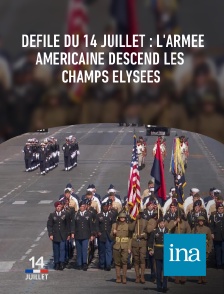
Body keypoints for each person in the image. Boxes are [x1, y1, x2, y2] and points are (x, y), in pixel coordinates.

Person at [47, 201, 72, 270]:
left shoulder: (65, 214)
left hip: (63, 235)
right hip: (55, 235)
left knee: (62, 249)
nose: (58, 208)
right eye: (57, 206)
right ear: (55, 207)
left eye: (60, 206)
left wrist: (68, 234)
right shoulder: (52, 215)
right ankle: (56, 263)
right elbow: (49, 225)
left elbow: (68, 225)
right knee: (56, 250)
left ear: (62, 207)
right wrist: (50, 234)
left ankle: (62, 263)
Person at [110, 211, 132, 284]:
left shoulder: (128, 226)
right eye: (121, 217)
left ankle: (124, 277)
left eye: (123, 217)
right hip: (116, 245)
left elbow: (130, 237)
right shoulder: (114, 225)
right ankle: (118, 277)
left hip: (125, 245)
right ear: (119, 218)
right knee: (117, 263)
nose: (122, 219)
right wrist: (113, 233)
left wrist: (129, 247)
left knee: (124, 262)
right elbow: (111, 236)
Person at [148, 217, 169, 293]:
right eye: (161, 223)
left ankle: (165, 286)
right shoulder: (155, 232)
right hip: (158, 253)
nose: (162, 224)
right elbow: (150, 242)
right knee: (158, 271)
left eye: (163, 223)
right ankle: (159, 286)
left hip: (166, 252)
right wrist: (150, 249)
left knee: (166, 271)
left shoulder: (167, 231)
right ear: (159, 224)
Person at [73, 200, 95, 271]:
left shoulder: (89, 214)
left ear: (85, 207)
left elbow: (91, 225)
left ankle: (85, 263)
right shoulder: (76, 215)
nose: (82, 207)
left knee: (85, 250)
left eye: (83, 206)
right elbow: (73, 225)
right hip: (78, 235)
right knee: (78, 250)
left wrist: (92, 234)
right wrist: (72, 233)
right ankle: (79, 263)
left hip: (86, 235)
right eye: (81, 206)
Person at [95, 202, 115, 270]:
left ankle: (108, 264)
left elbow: (113, 224)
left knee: (108, 250)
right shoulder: (98, 215)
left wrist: (113, 232)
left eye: (107, 206)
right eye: (104, 207)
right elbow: (96, 225)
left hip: (109, 236)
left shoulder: (111, 215)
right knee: (101, 251)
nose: (106, 208)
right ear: (102, 207)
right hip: (101, 235)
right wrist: (98, 232)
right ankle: (102, 264)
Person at [192, 215, 212, 284]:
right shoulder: (195, 229)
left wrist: (209, 249)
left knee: (204, 264)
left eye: (202, 221)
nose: (201, 222)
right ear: (198, 222)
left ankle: (203, 277)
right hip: (197, 249)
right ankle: (199, 278)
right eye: (199, 221)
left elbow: (210, 240)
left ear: (203, 221)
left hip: (204, 248)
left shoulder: (207, 229)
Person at [129, 211, 148, 284]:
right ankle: (137, 276)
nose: (138, 214)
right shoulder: (133, 221)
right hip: (135, 243)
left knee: (142, 259)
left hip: (142, 243)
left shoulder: (145, 222)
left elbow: (147, 232)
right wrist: (135, 220)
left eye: (139, 213)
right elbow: (130, 229)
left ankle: (142, 276)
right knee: (136, 260)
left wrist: (142, 235)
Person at [209, 202, 224, 269]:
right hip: (217, 236)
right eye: (219, 208)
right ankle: (218, 264)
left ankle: (223, 263)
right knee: (217, 250)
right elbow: (211, 226)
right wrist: (212, 233)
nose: (220, 210)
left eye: (222, 208)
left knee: (223, 250)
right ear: (217, 209)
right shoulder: (214, 216)